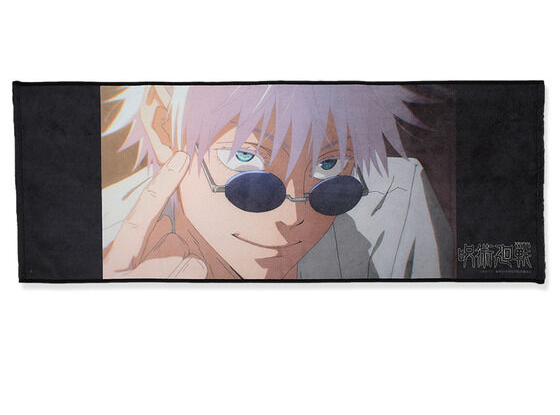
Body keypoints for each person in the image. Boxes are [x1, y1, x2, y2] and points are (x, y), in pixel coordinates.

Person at [102, 84, 454, 280]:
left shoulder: (395, 207)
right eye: (244, 157)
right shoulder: (104, 239)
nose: (292, 217)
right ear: (163, 126)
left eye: (328, 165)